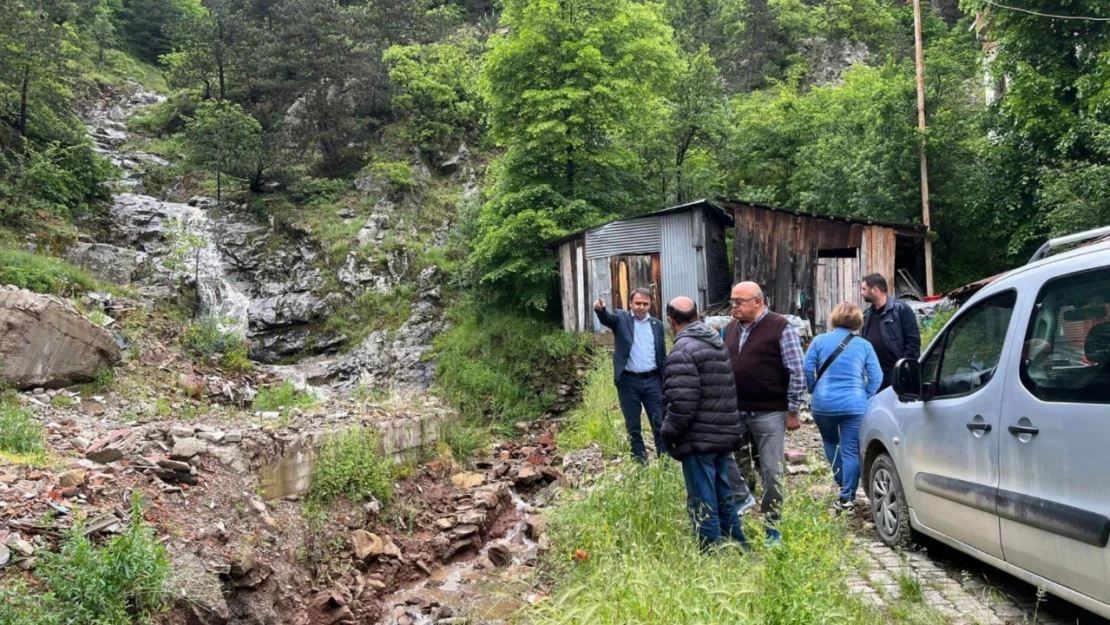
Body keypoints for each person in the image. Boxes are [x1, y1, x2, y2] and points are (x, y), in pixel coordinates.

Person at [660, 296, 748, 549]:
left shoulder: (683, 349)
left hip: (698, 439)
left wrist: (667, 433)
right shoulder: (714, 342)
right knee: (723, 495)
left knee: (702, 500)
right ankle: (738, 545)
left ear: (671, 321)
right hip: (722, 433)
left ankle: (710, 553)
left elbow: (682, 403)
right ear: (697, 316)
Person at [722, 282, 806, 542]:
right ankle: (742, 496)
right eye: (733, 301)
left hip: (769, 412)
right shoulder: (730, 329)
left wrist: (793, 410)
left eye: (739, 301)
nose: (734, 306)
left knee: (772, 471)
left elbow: (796, 371)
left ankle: (773, 525)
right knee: (723, 454)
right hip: (736, 409)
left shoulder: (781, 328)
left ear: (758, 302)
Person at [803, 302, 882, 512]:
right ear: (857, 321)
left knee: (830, 442)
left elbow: (806, 367)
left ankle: (840, 483)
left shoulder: (819, 341)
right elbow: (877, 376)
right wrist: (864, 395)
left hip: (823, 403)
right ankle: (847, 497)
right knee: (851, 451)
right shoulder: (864, 345)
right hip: (854, 405)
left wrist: (813, 388)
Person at [594, 288, 668, 463]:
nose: (641, 307)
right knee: (633, 426)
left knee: (660, 424)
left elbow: (662, 355)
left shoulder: (657, 325)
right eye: (638, 303)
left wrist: (667, 380)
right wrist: (600, 309)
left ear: (651, 304)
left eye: (645, 304)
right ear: (630, 303)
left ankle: (664, 463)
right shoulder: (621, 319)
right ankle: (640, 464)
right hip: (628, 381)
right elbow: (607, 319)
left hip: (653, 381)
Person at [860, 273, 922, 389]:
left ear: (875, 290)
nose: (861, 292)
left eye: (864, 289)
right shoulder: (867, 313)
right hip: (875, 376)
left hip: (896, 374)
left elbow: (913, 342)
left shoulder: (901, 310)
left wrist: (904, 369)